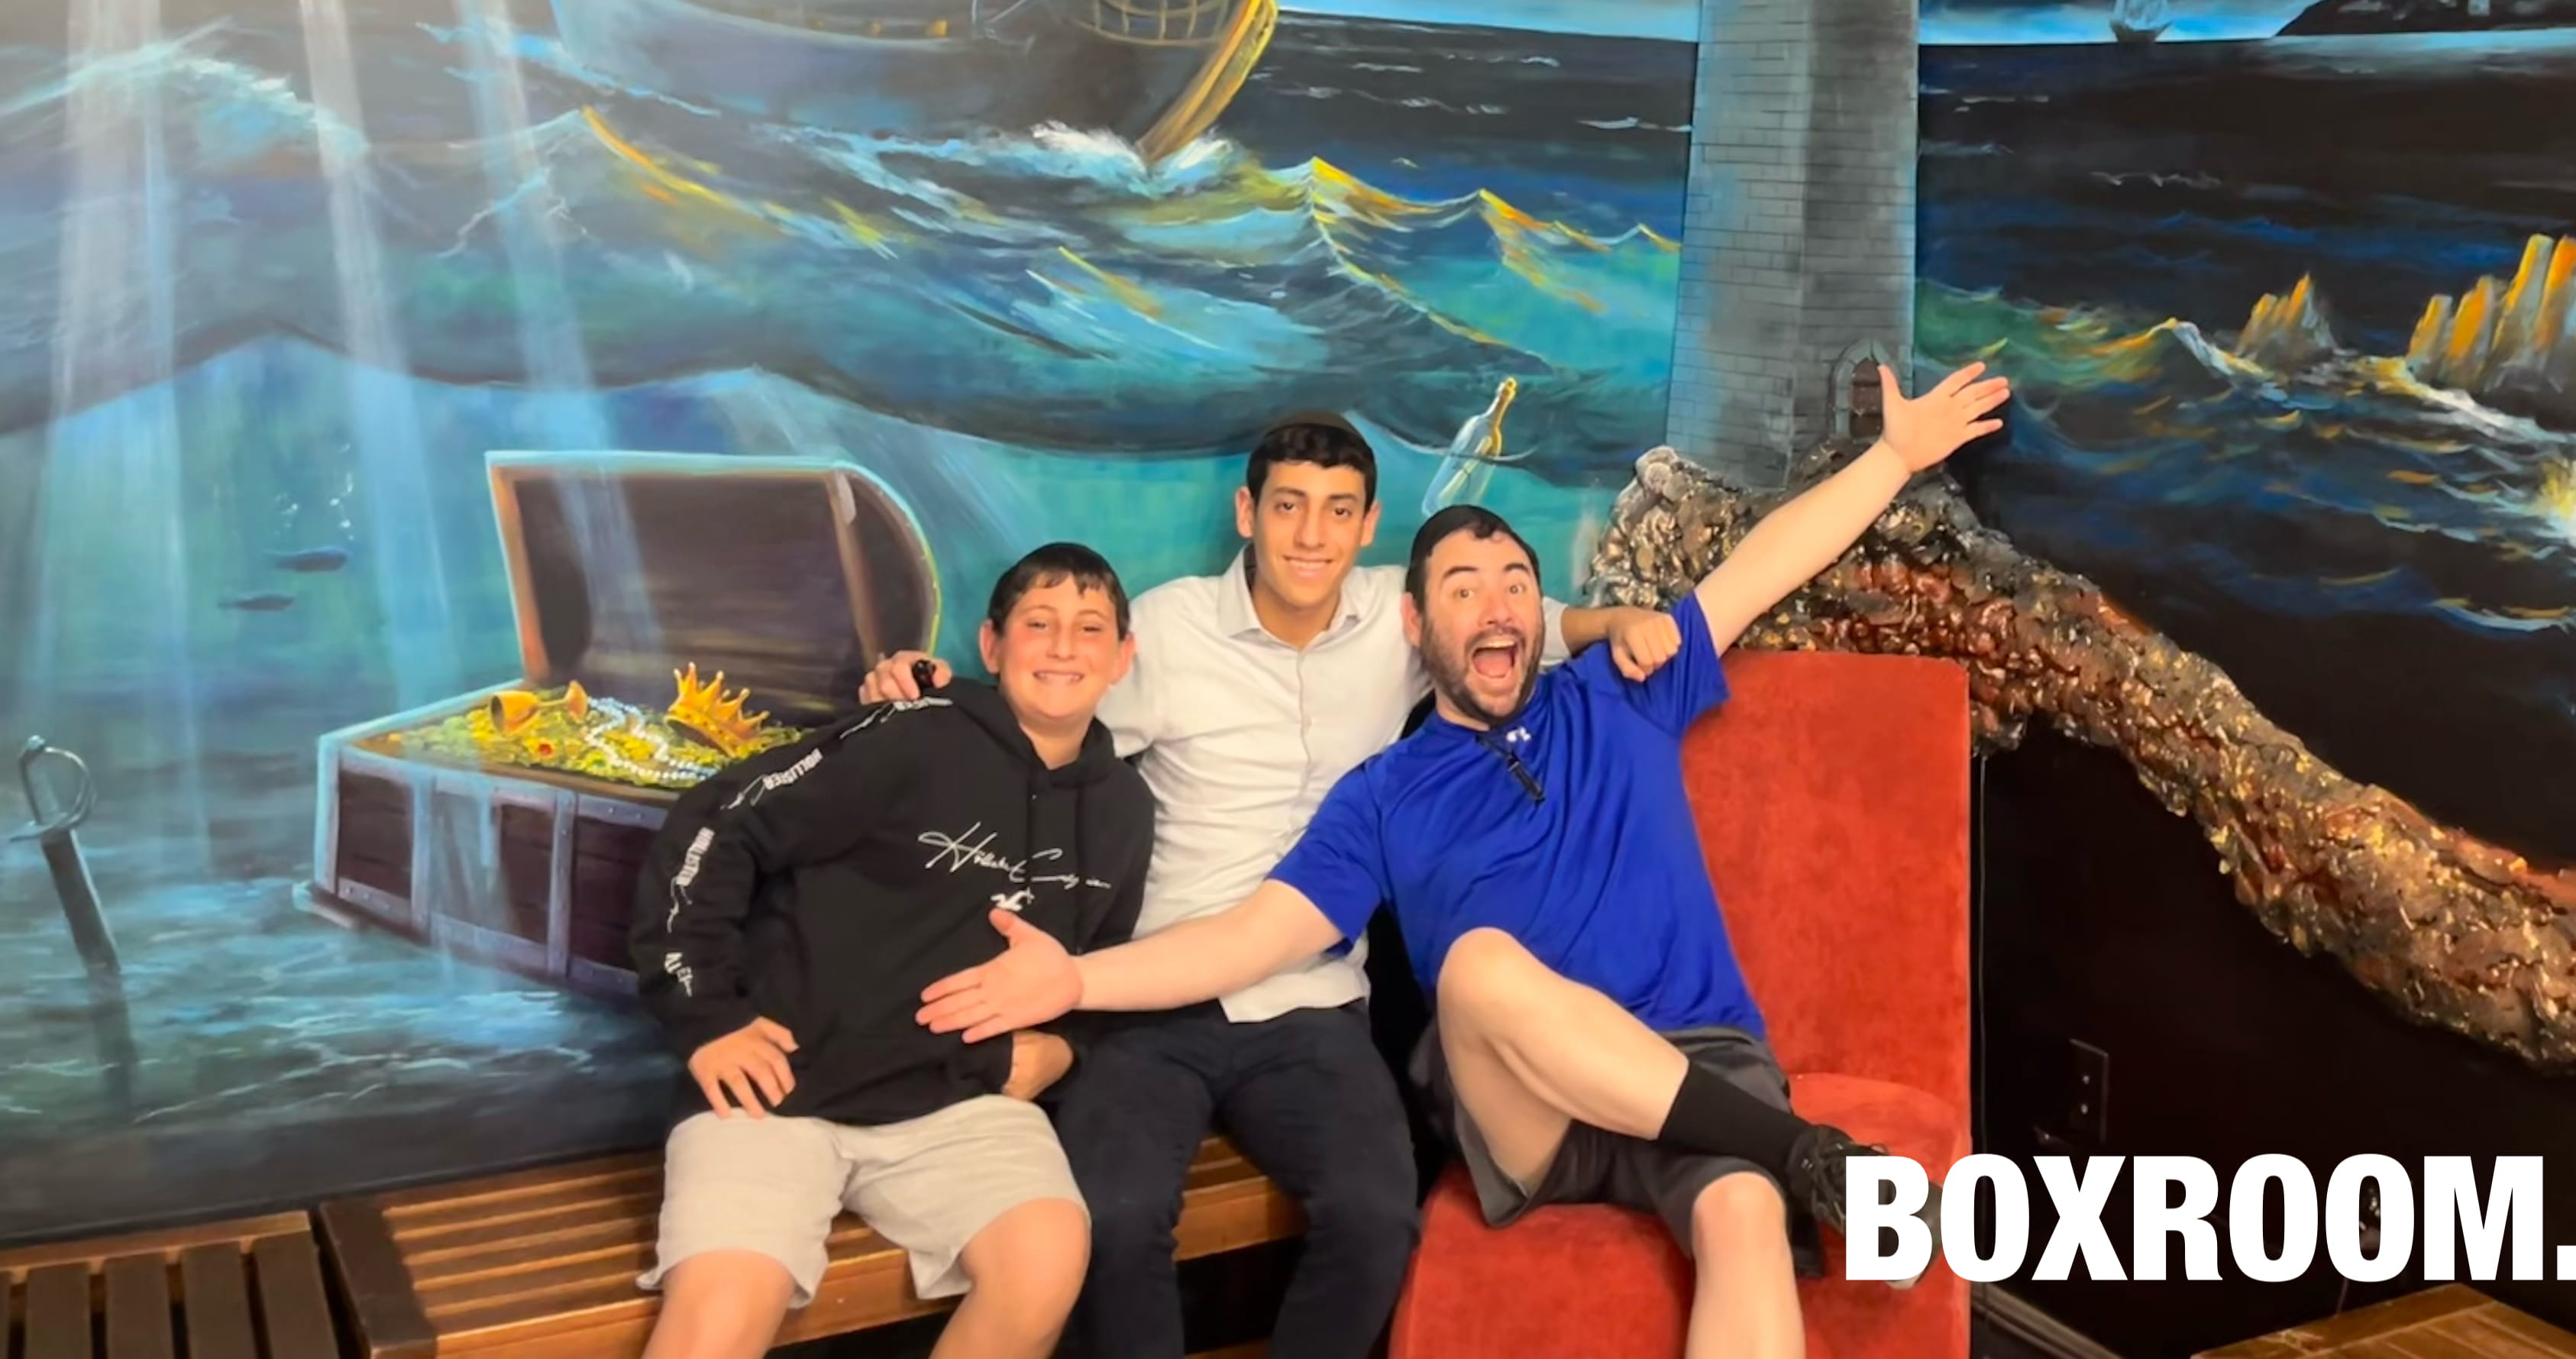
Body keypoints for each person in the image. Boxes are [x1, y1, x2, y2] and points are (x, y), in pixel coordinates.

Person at [913, 367, 2012, 1359]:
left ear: (1540, 612)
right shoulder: (1380, 794)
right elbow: (1249, 935)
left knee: (1744, 1216)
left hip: (1696, 1058)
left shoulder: (1621, 694)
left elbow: (1762, 568)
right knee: (1479, 964)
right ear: (1412, 622)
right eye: (1462, 588)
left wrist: (1895, 457)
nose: (1495, 606)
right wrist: (1071, 978)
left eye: (1515, 584)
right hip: (1528, 1107)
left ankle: (1793, 1173)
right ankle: (1810, 1155)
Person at [853, 414, 1682, 1359]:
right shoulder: (1169, 628)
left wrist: (1619, 623)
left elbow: (1532, 623)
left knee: (1378, 1217)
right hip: (1150, 997)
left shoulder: (1400, 616)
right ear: (1248, 512)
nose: (1312, 535)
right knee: (1116, 1219)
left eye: (1338, 511)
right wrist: (927, 690)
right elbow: (1042, 713)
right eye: (1289, 507)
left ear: (1369, 524)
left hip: (1311, 1004)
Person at [626, 545, 1155, 1359]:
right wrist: (707, 1018)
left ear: (1123, 656)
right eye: (1037, 623)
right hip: (779, 1093)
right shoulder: (908, 735)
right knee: (720, 1315)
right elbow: (717, 826)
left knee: (1046, 1260)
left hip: (958, 1108)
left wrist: (1065, 1049)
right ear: (991, 646)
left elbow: (1096, 970)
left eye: (1090, 629)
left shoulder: (1124, 807)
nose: (1062, 647)